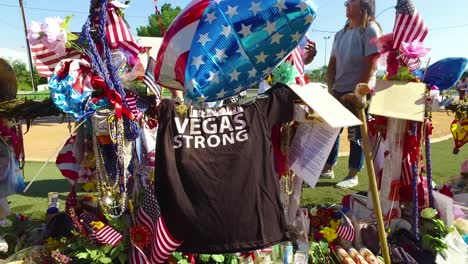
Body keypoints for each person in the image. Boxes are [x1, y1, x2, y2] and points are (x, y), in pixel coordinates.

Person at [321, 0, 382, 189]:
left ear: (364, 5)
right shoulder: (340, 34)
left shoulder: (370, 29)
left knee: (356, 134)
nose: (346, 4)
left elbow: (371, 64)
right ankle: (328, 168)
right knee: (332, 131)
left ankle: (353, 173)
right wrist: (331, 88)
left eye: (351, 1)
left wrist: (359, 92)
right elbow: (332, 63)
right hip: (339, 89)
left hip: (359, 92)